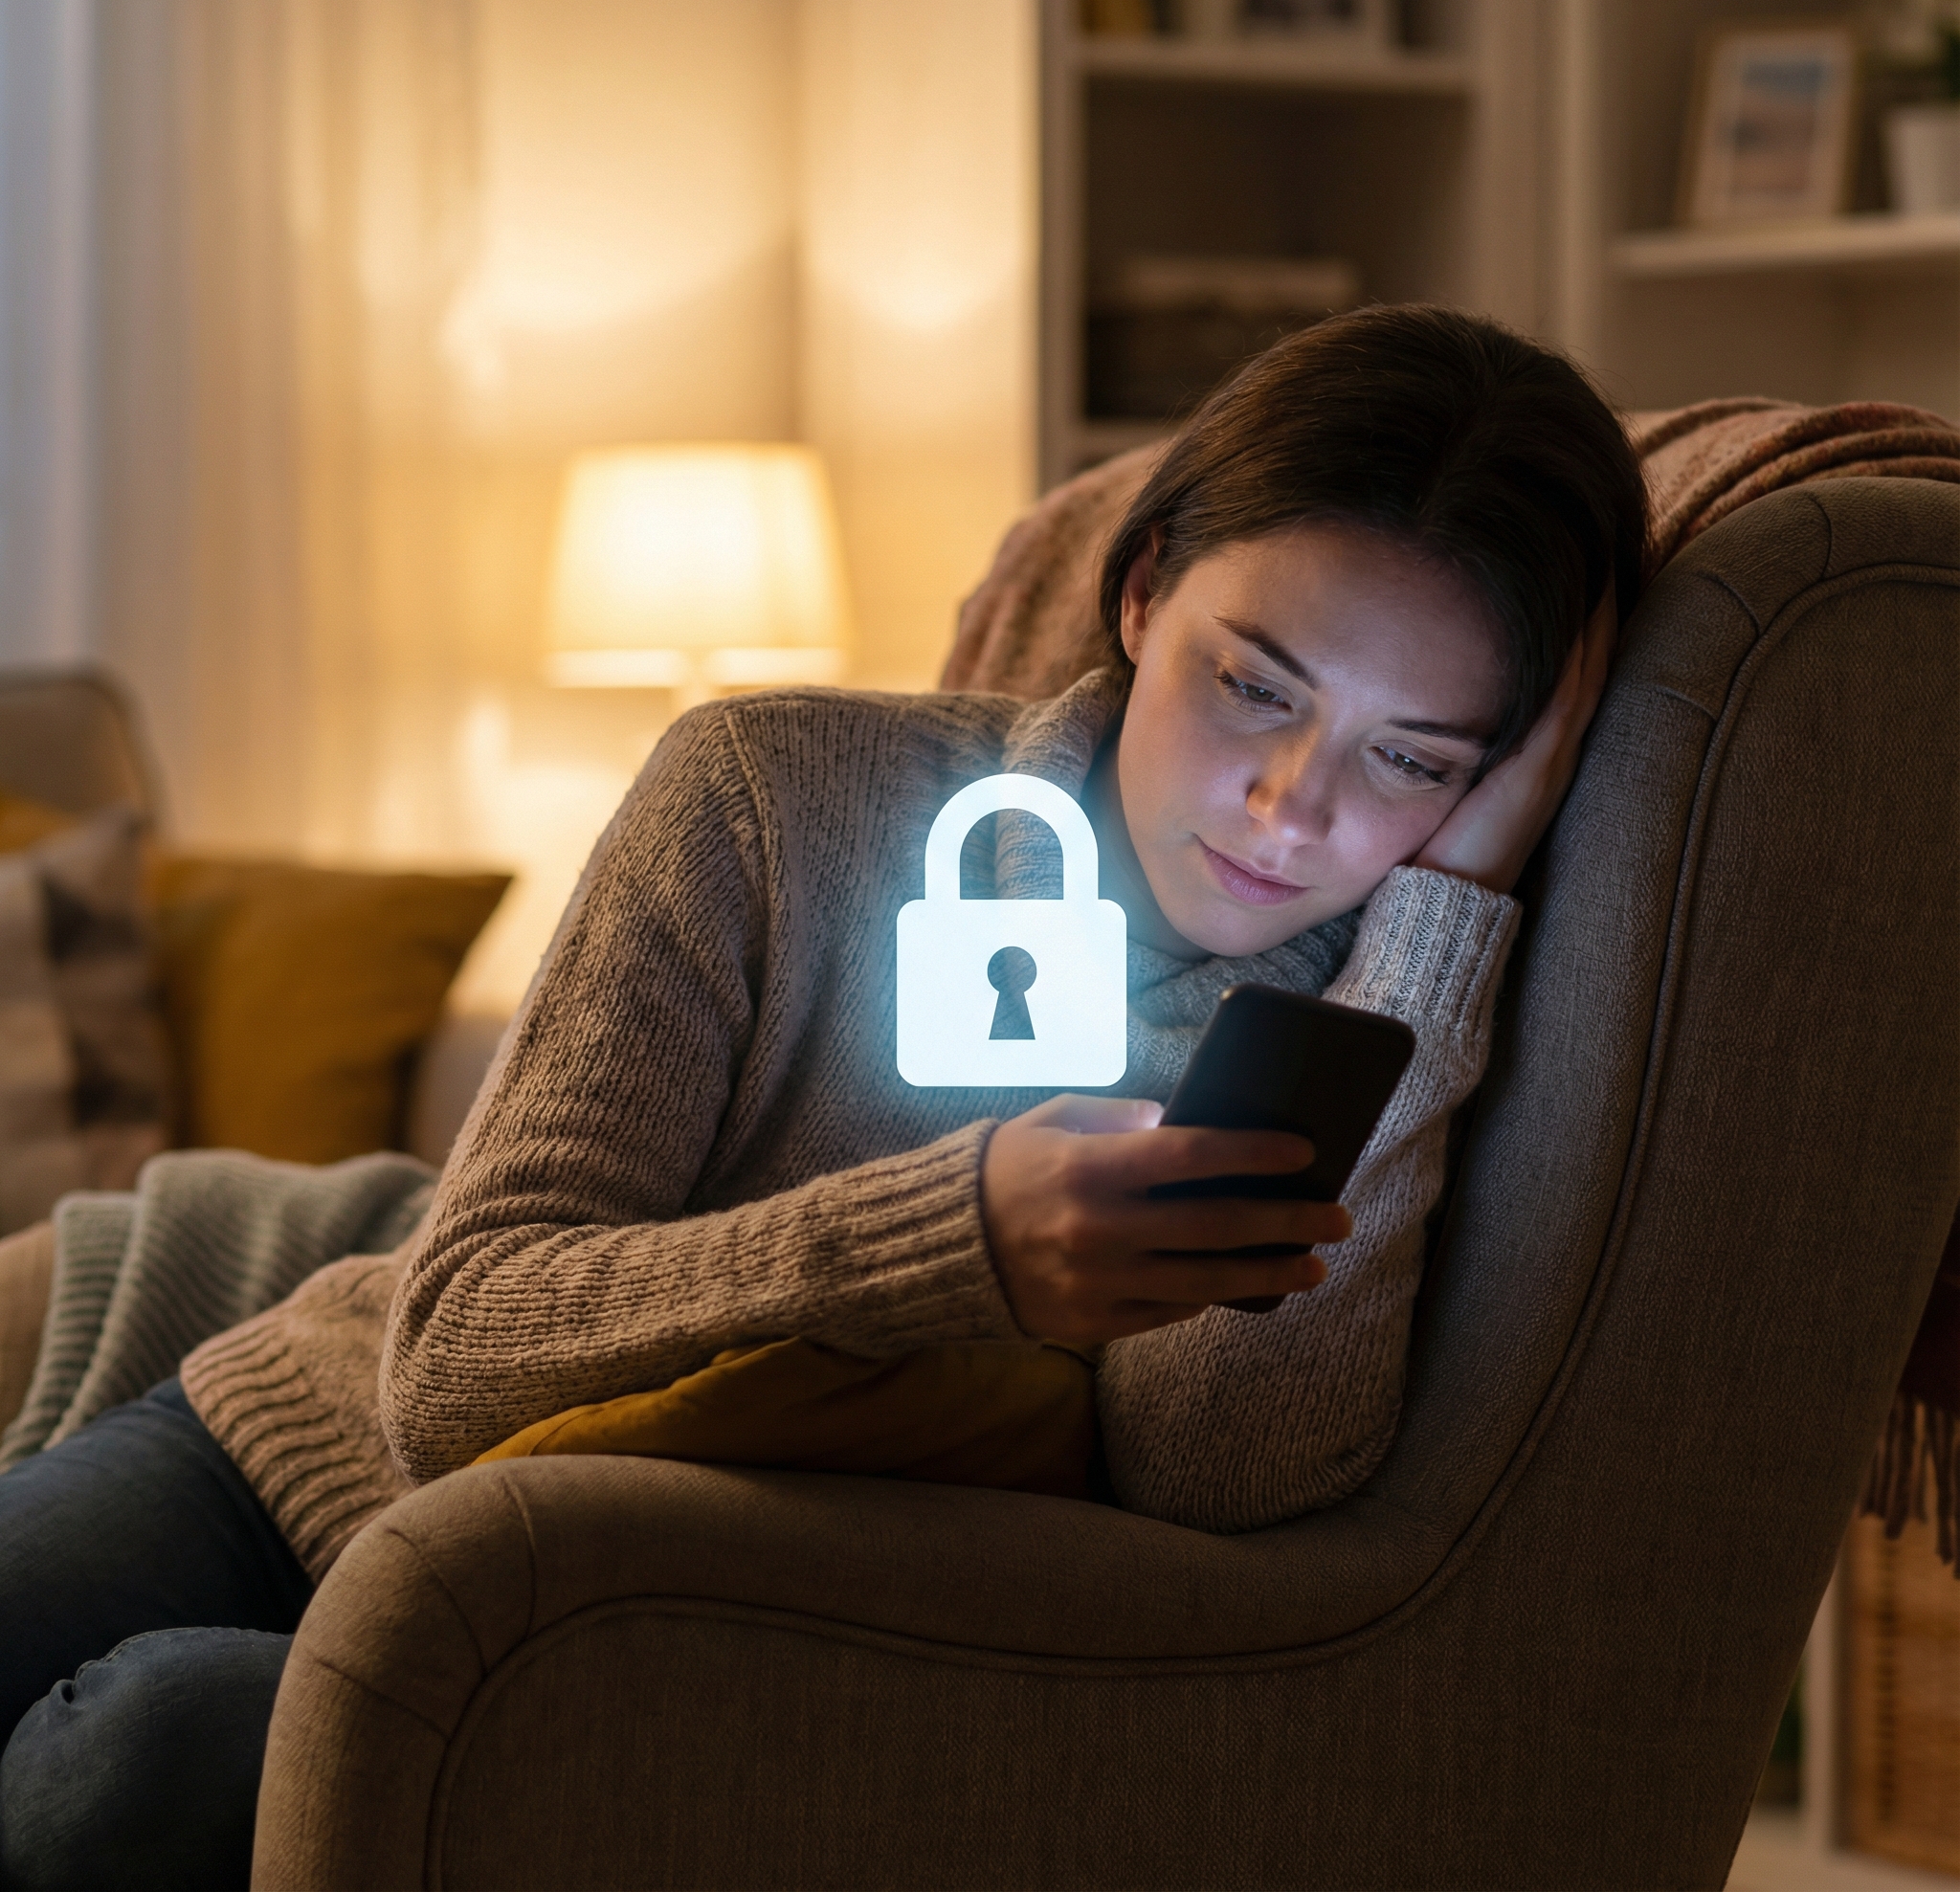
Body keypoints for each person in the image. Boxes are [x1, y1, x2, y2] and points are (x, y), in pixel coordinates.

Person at [0, 304, 1647, 1889]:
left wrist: (1436, 934)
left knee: (136, 1756)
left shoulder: (1378, 1002)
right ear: (1144, 594)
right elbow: (448, 1370)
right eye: (1257, 687)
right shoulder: (777, 792)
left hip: (636, 1622)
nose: (1294, 812)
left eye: (1413, 759)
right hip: (305, 1449)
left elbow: (1217, 1481)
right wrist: (950, 1241)